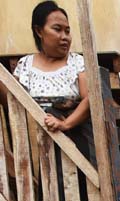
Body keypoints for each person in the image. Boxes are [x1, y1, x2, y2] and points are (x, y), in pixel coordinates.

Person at [13, 1, 92, 155]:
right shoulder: (25, 65)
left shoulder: (77, 62)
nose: (65, 37)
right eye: (57, 29)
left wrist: (64, 124)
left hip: (73, 147)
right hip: (35, 150)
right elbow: (13, 101)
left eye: (67, 31)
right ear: (39, 31)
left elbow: (89, 99)